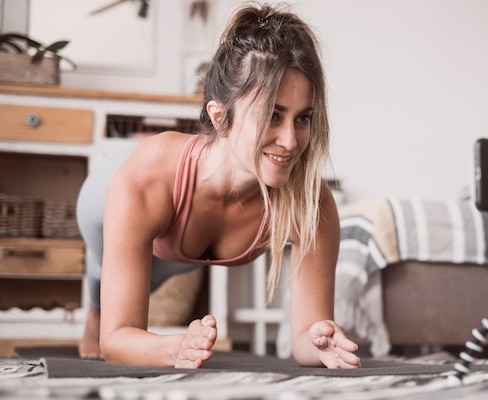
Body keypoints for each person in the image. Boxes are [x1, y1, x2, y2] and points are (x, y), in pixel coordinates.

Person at [75, 2, 361, 369]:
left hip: (175, 246)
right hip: (107, 193)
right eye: (272, 115)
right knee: (103, 268)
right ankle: (95, 310)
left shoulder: (310, 201)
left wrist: (318, 343)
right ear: (220, 117)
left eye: (302, 118)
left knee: (160, 272)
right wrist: (172, 348)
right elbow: (117, 341)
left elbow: (306, 334)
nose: (290, 141)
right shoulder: (147, 179)